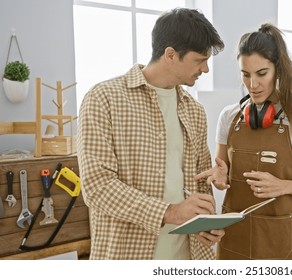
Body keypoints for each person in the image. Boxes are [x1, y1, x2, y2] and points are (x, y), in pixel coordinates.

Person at [77, 8, 225, 260]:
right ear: (170, 55)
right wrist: (169, 212)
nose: (206, 69)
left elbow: (199, 183)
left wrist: (206, 221)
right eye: (200, 60)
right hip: (126, 257)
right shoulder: (103, 99)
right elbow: (97, 187)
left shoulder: (195, 111)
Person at [195, 23, 292, 259]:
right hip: (233, 236)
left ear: (278, 70)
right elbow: (221, 173)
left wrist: (284, 186)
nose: (253, 85)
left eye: (261, 73)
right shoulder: (229, 117)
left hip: (280, 239)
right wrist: (219, 177)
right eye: (245, 75)